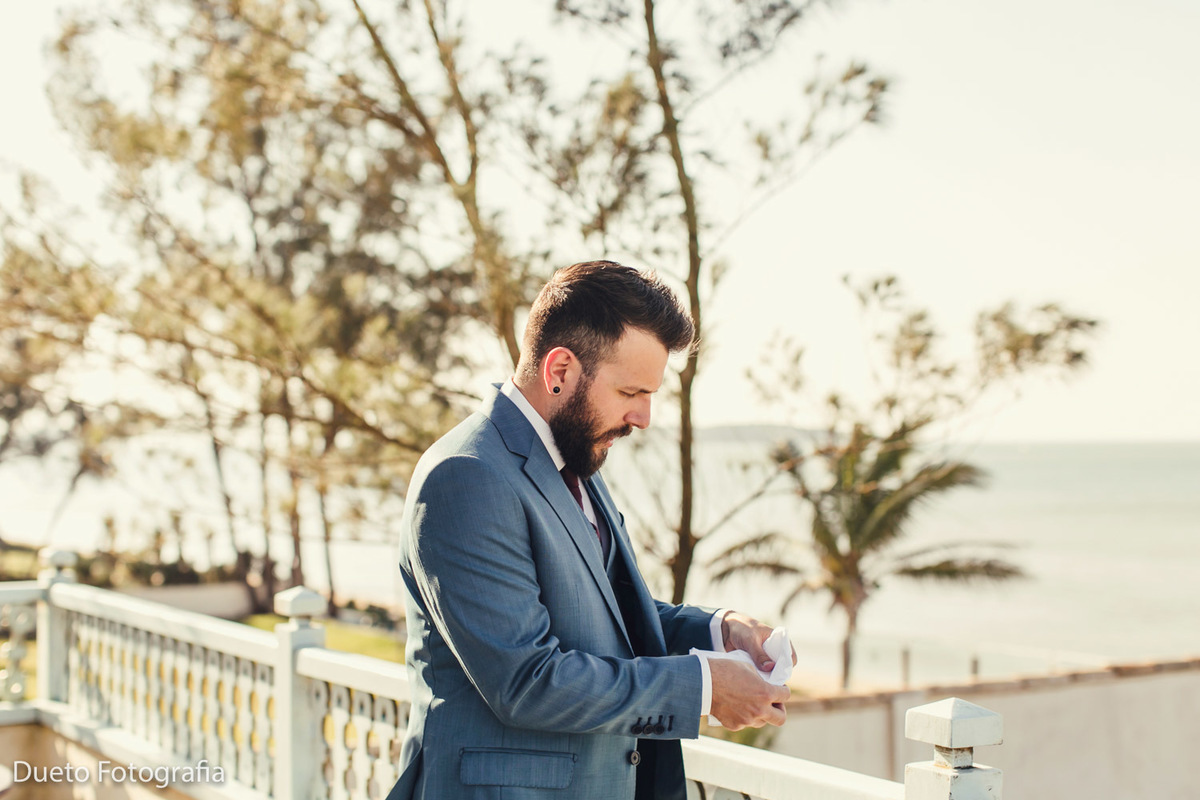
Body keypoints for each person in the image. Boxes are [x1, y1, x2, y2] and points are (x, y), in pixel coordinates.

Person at [387, 261, 792, 800]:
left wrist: (720, 631)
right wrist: (704, 687)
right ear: (559, 371)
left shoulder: (574, 458)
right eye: (630, 393)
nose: (644, 417)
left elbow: (608, 620)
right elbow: (527, 681)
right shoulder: (465, 476)